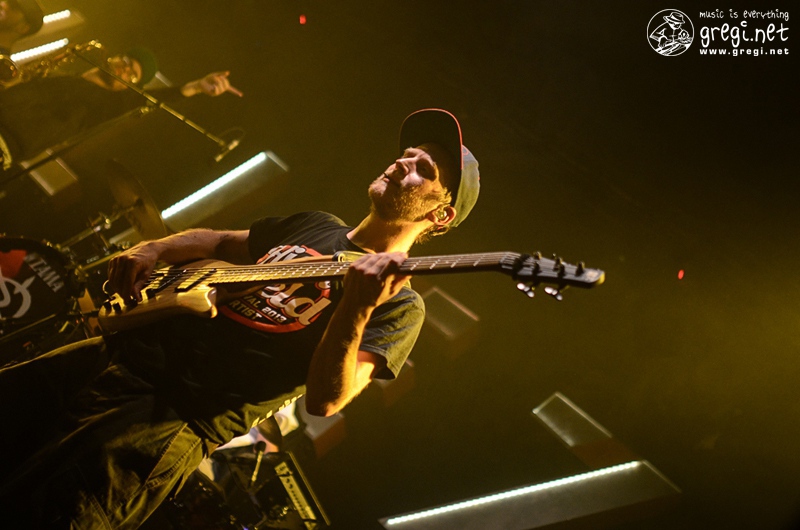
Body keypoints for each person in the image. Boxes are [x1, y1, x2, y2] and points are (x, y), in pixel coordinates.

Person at [0, 108, 480, 528]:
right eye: (407, 154)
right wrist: (153, 248)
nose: (403, 162)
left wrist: (356, 306)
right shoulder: (317, 224)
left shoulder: (400, 305)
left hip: (166, 420)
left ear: (441, 215)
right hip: (109, 356)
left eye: (424, 169)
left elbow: (327, 400)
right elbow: (217, 241)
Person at [0, 46, 241, 170]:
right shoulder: (68, 74)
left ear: (130, 87)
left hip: (6, 144)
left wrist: (196, 87)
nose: (124, 69)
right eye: (126, 61)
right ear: (115, 56)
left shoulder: (108, 105)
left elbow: (154, 98)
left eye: (132, 74)